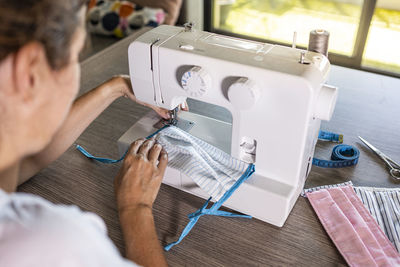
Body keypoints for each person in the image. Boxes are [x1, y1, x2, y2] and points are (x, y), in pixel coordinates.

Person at [0, 1, 181, 266]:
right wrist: (135, 209)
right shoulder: (52, 242)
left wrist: (116, 87)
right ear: (30, 72)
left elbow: (24, 162)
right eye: (76, 57)